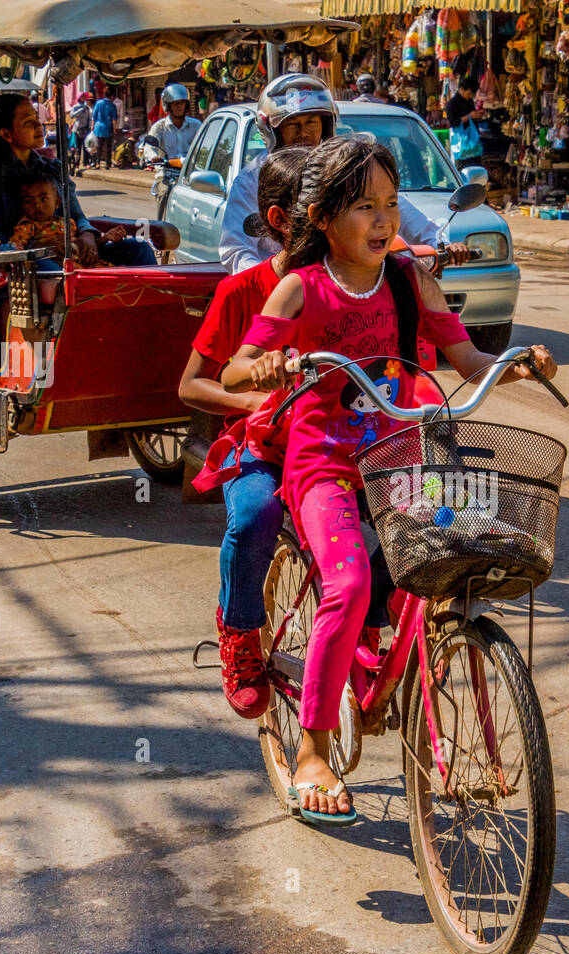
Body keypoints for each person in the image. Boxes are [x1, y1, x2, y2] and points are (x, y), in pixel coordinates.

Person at [221, 137, 556, 820]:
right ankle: (314, 746)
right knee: (346, 582)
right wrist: (264, 370)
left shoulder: (409, 280)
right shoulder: (300, 288)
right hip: (325, 467)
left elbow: (463, 358)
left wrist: (514, 365)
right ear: (320, 217)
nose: (383, 220)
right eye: (364, 206)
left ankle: (403, 658)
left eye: (391, 205)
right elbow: (234, 369)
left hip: (401, 452)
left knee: (466, 545)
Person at [178, 147, 311, 715]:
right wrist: (255, 396)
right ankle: (238, 633)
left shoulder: (352, 282)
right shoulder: (240, 291)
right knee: (256, 514)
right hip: (260, 444)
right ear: (282, 221)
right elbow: (191, 385)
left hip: (334, 439)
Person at [218, 74, 464, 273]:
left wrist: (437, 242)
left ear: (325, 125)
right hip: (284, 290)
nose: (303, 133)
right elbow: (237, 249)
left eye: (311, 123)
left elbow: (399, 210)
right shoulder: (253, 180)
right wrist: (268, 281)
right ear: (272, 130)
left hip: (347, 282)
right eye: (293, 125)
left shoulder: (345, 167)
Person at [0, 93, 156, 267]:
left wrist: (87, 236)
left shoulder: (53, 168)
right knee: (42, 265)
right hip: (28, 261)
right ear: (6, 134)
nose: (39, 125)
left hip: (72, 249)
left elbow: (76, 215)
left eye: (37, 118)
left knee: (139, 248)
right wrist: (42, 250)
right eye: (28, 122)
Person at [8, 176, 129, 267]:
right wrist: (42, 249)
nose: (37, 206)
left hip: (83, 265)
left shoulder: (67, 223)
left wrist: (105, 238)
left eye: (43, 199)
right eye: (29, 202)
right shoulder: (26, 227)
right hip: (57, 270)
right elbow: (16, 251)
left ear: (57, 202)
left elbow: (80, 248)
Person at [147, 84, 202, 161]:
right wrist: (153, 157)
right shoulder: (159, 127)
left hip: (189, 171)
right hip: (166, 171)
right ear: (168, 106)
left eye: (182, 103)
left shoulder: (196, 125)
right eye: (175, 103)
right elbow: (149, 147)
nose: (179, 106)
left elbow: (204, 147)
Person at [91, 88, 119, 170]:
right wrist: (114, 130)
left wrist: (92, 127)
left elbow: (94, 116)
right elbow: (114, 119)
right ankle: (107, 163)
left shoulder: (98, 103)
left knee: (98, 146)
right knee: (108, 147)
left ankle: (97, 162)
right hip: (107, 128)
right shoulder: (112, 106)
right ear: (111, 96)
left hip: (98, 127)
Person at [68, 93, 93, 171]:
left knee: (86, 147)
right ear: (79, 98)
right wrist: (80, 110)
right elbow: (71, 115)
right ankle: (76, 162)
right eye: (82, 97)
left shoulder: (87, 108)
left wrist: (89, 128)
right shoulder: (76, 107)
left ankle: (86, 163)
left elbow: (90, 118)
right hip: (77, 130)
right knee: (77, 147)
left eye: (85, 97)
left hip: (86, 130)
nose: (84, 98)